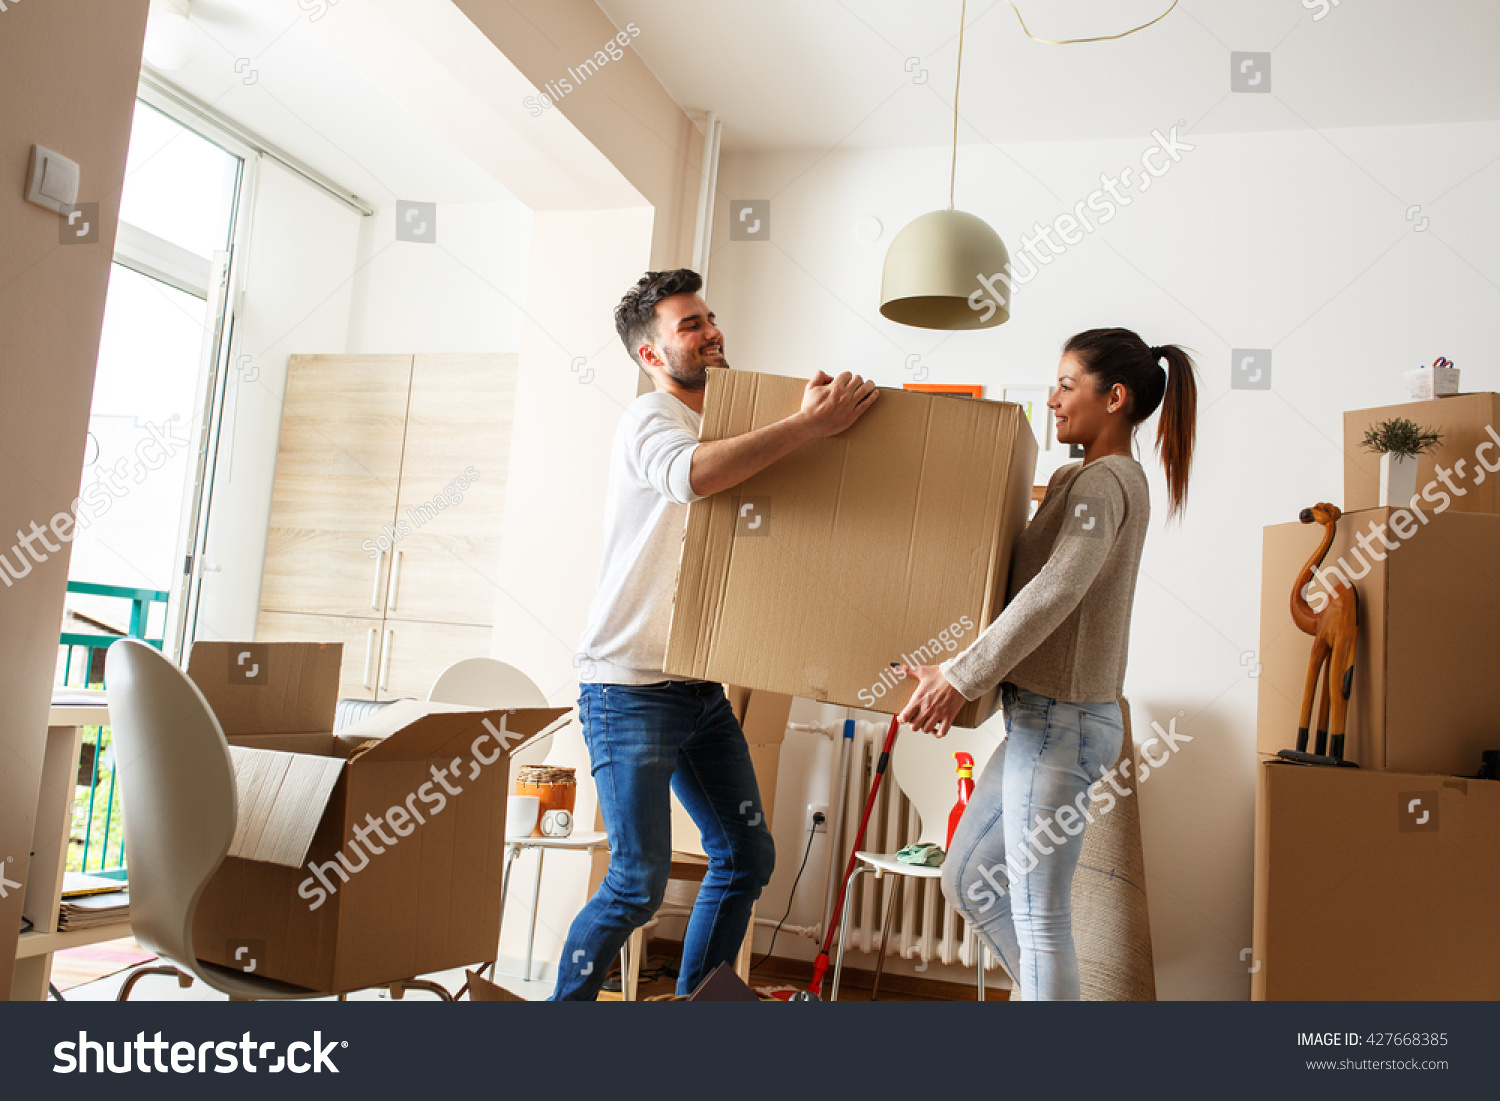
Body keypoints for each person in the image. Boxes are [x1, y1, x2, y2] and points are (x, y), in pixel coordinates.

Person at [552, 268, 878, 1000]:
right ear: (651, 356)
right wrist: (806, 425)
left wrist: (813, 428)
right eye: (689, 325)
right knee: (638, 882)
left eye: (710, 317)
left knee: (746, 853)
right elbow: (691, 478)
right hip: (627, 685)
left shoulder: (725, 425)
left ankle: (699, 1012)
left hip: (697, 683)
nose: (711, 332)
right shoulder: (651, 421)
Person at [897, 327, 1197, 1001]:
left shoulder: (1106, 482)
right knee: (969, 876)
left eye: (1066, 385)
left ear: (1114, 397)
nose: (1053, 399)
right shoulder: (1086, 479)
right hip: (1042, 723)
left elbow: (1060, 585)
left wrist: (960, 676)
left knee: (1042, 922)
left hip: (1062, 725)